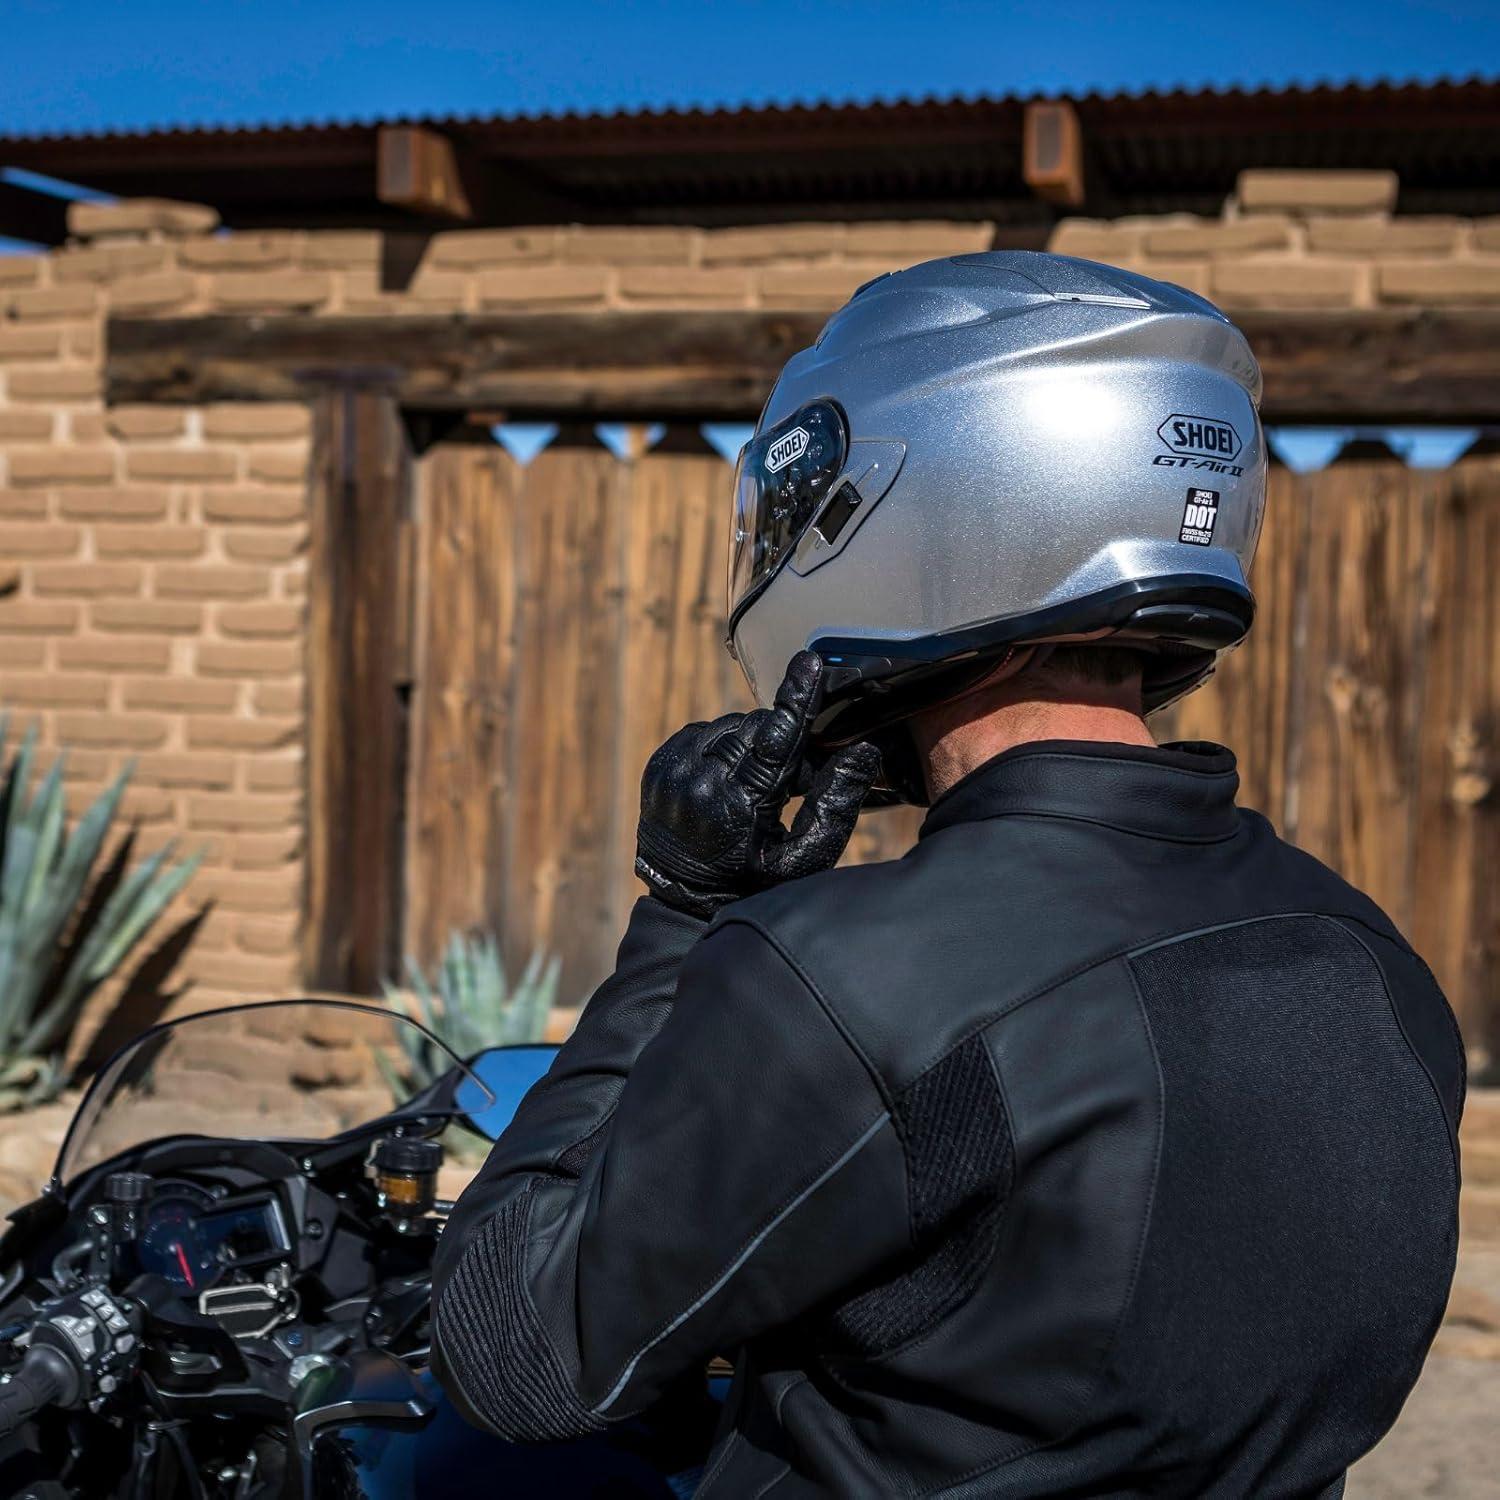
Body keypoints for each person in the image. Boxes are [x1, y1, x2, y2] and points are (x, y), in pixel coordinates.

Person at [430, 252, 1463, 1497]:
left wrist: (685, 912)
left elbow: (518, 1354)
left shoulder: (848, 978)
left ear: (924, 505)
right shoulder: (1371, 965)